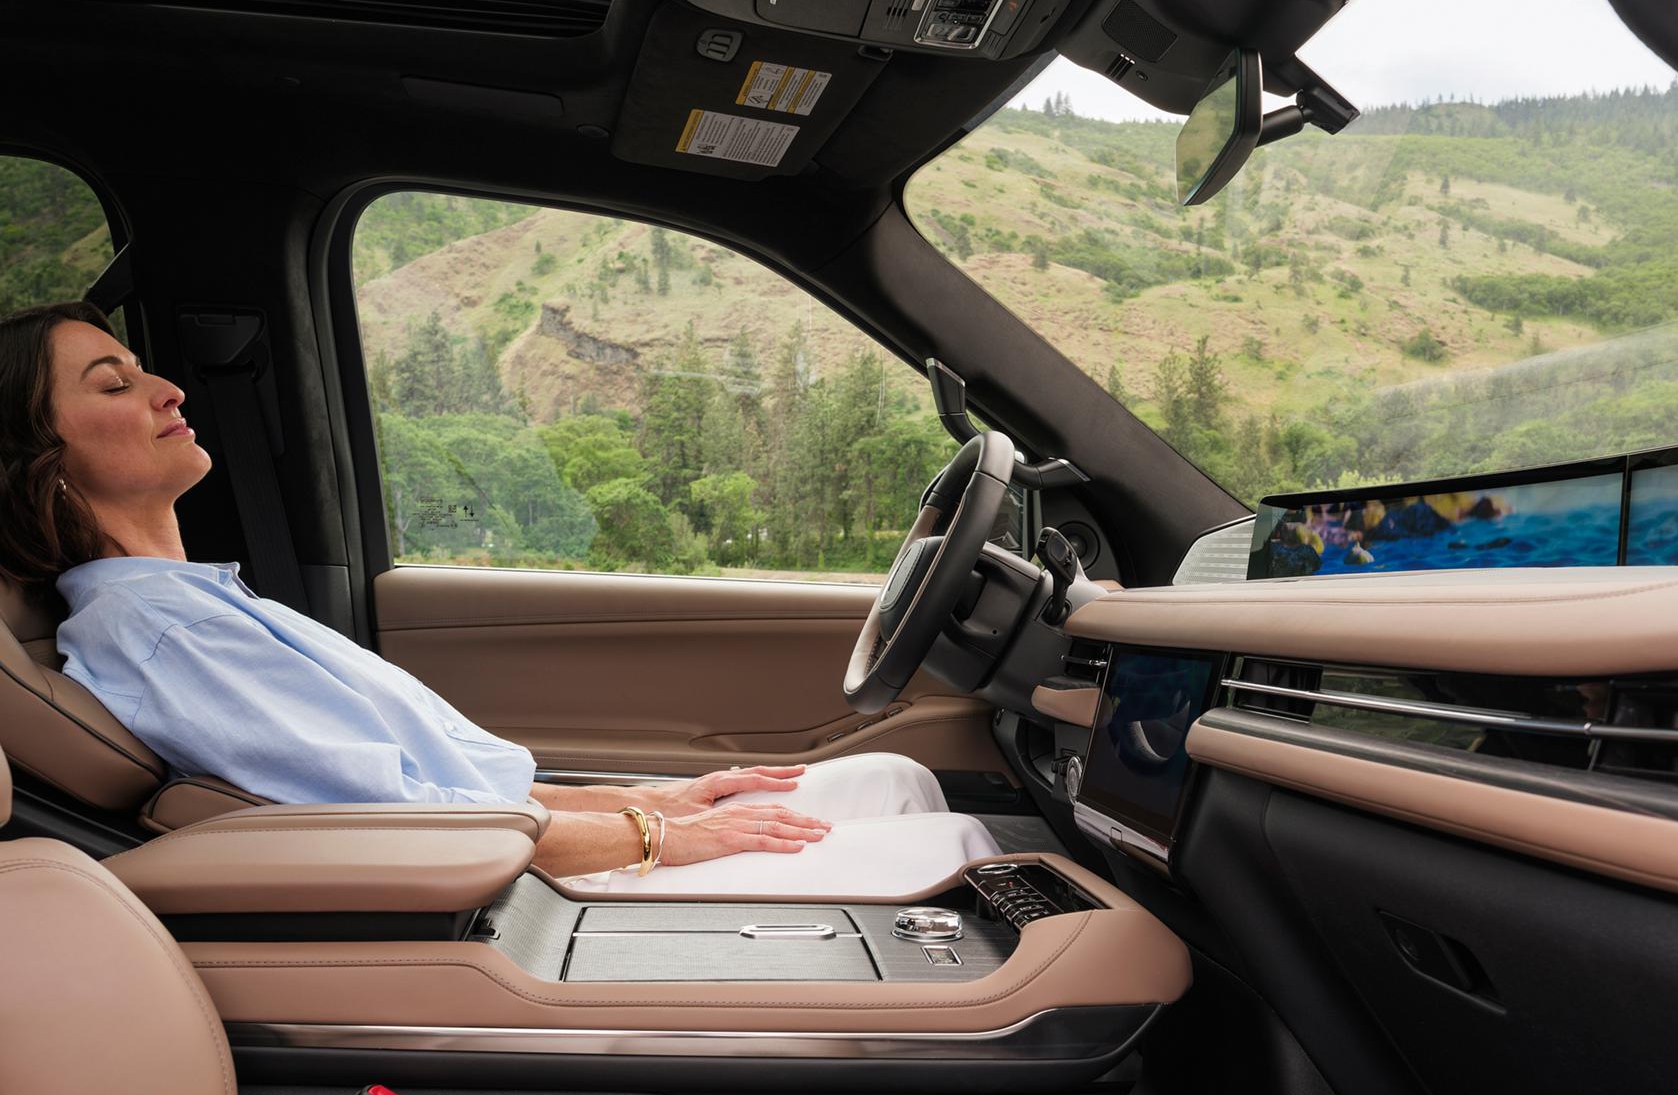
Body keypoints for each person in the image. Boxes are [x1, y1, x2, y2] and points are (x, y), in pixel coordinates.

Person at [0, 301, 998, 889]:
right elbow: (396, 817)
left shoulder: (199, 603)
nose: (166, 388)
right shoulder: (152, 630)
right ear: (44, 455)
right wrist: (654, 839)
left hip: (519, 847)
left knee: (898, 783)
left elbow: (440, 780)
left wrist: (645, 798)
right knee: (949, 841)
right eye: (112, 383)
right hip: (516, 895)